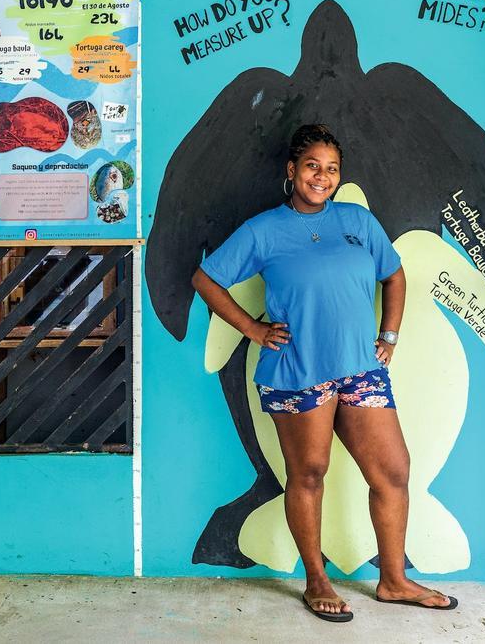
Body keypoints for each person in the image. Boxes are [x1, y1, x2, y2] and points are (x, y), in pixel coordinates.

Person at [191, 124, 457, 623]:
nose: (322, 176)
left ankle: (394, 580)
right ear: (292, 171)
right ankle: (316, 580)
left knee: (394, 473)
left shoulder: (357, 220)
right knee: (309, 474)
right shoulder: (264, 229)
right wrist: (252, 329)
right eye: (312, 166)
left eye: (332, 169)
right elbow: (206, 279)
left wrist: (390, 335)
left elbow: (393, 274)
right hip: (297, 373)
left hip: (361, 370)